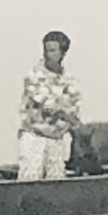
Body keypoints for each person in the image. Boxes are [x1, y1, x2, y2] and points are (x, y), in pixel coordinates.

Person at [18, 30, 81, 181]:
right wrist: (69, 118)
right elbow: (48, 106)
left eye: (53, 50)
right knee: (30, 179)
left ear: (63, 53)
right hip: (34, 136)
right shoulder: (33, 76)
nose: (48, 54)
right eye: (46, 50)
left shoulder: (69, 80)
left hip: (56, 138)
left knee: (57, 180)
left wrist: (73, 123)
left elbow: (74, 106)